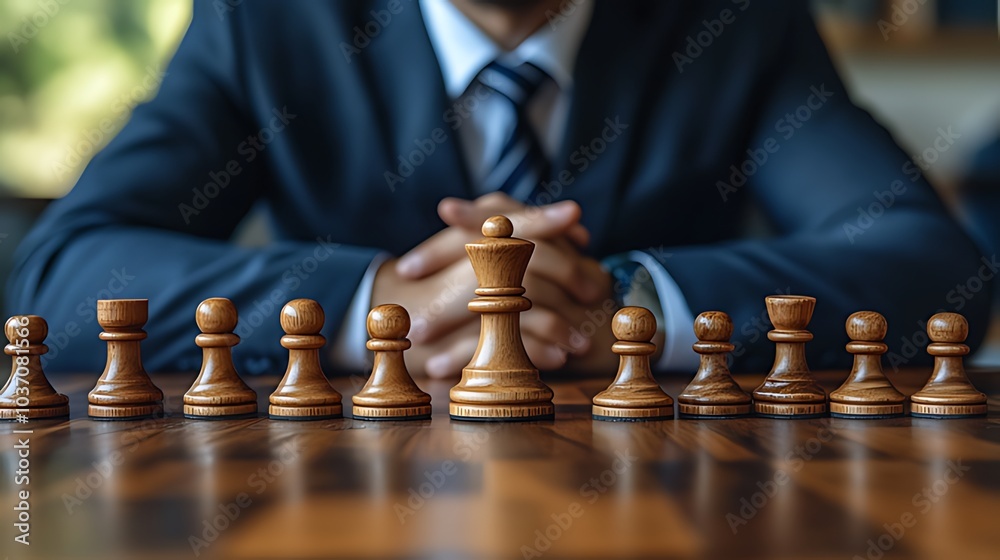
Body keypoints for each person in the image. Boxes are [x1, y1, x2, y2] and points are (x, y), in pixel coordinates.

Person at [6, 0, 990, 377]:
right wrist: (378, 302)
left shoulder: (735, 21)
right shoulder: (269, 20)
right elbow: (60, 270)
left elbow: (932, 265)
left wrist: (630, 304)